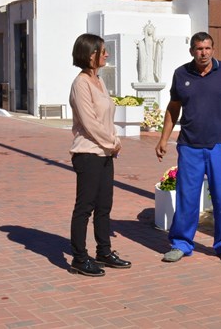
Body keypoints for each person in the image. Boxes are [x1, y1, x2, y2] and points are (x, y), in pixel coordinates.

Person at [156, 32, 221, 264]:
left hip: (220, 145)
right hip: (189, 146)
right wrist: (163, 138)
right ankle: (181, 244)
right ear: (192, 51)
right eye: (199, 49)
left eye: (207, 48)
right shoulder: (181, 74)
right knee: (187, 198)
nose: (204, 53)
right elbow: (173, 108)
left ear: (213, 49)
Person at [68, 33, 131, 277]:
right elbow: (89, 122)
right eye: (102, 51)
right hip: (88, 153)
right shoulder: (81, 83)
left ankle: (104, 252)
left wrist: (112, 141)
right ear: (90, 53)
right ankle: (78, 258)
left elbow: (105, 118)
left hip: (104, 152)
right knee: (85, 207)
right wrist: (113, 142)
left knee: (104, 206)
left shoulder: (99, 80)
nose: (107, 54)